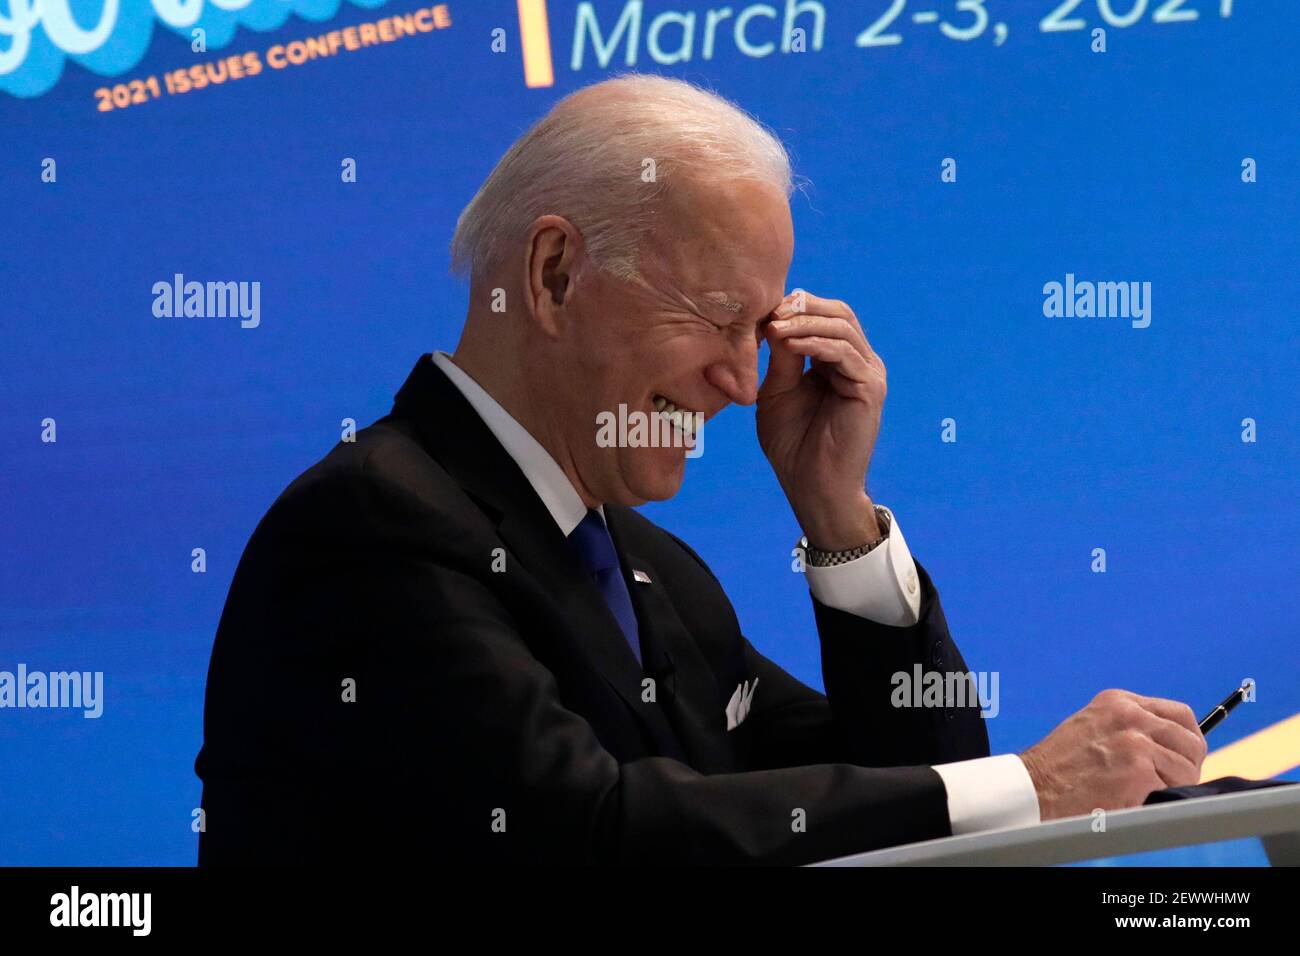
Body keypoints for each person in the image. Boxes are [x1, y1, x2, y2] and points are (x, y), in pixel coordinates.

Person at [195, 74, 1206, 866]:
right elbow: (588, 832)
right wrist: (1031, 782)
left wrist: (837, 514)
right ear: (554, 277)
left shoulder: (653, 571)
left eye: (759, 330)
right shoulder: (368, 527)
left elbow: (906, 793)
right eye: (719, 318)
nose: (738, 380)